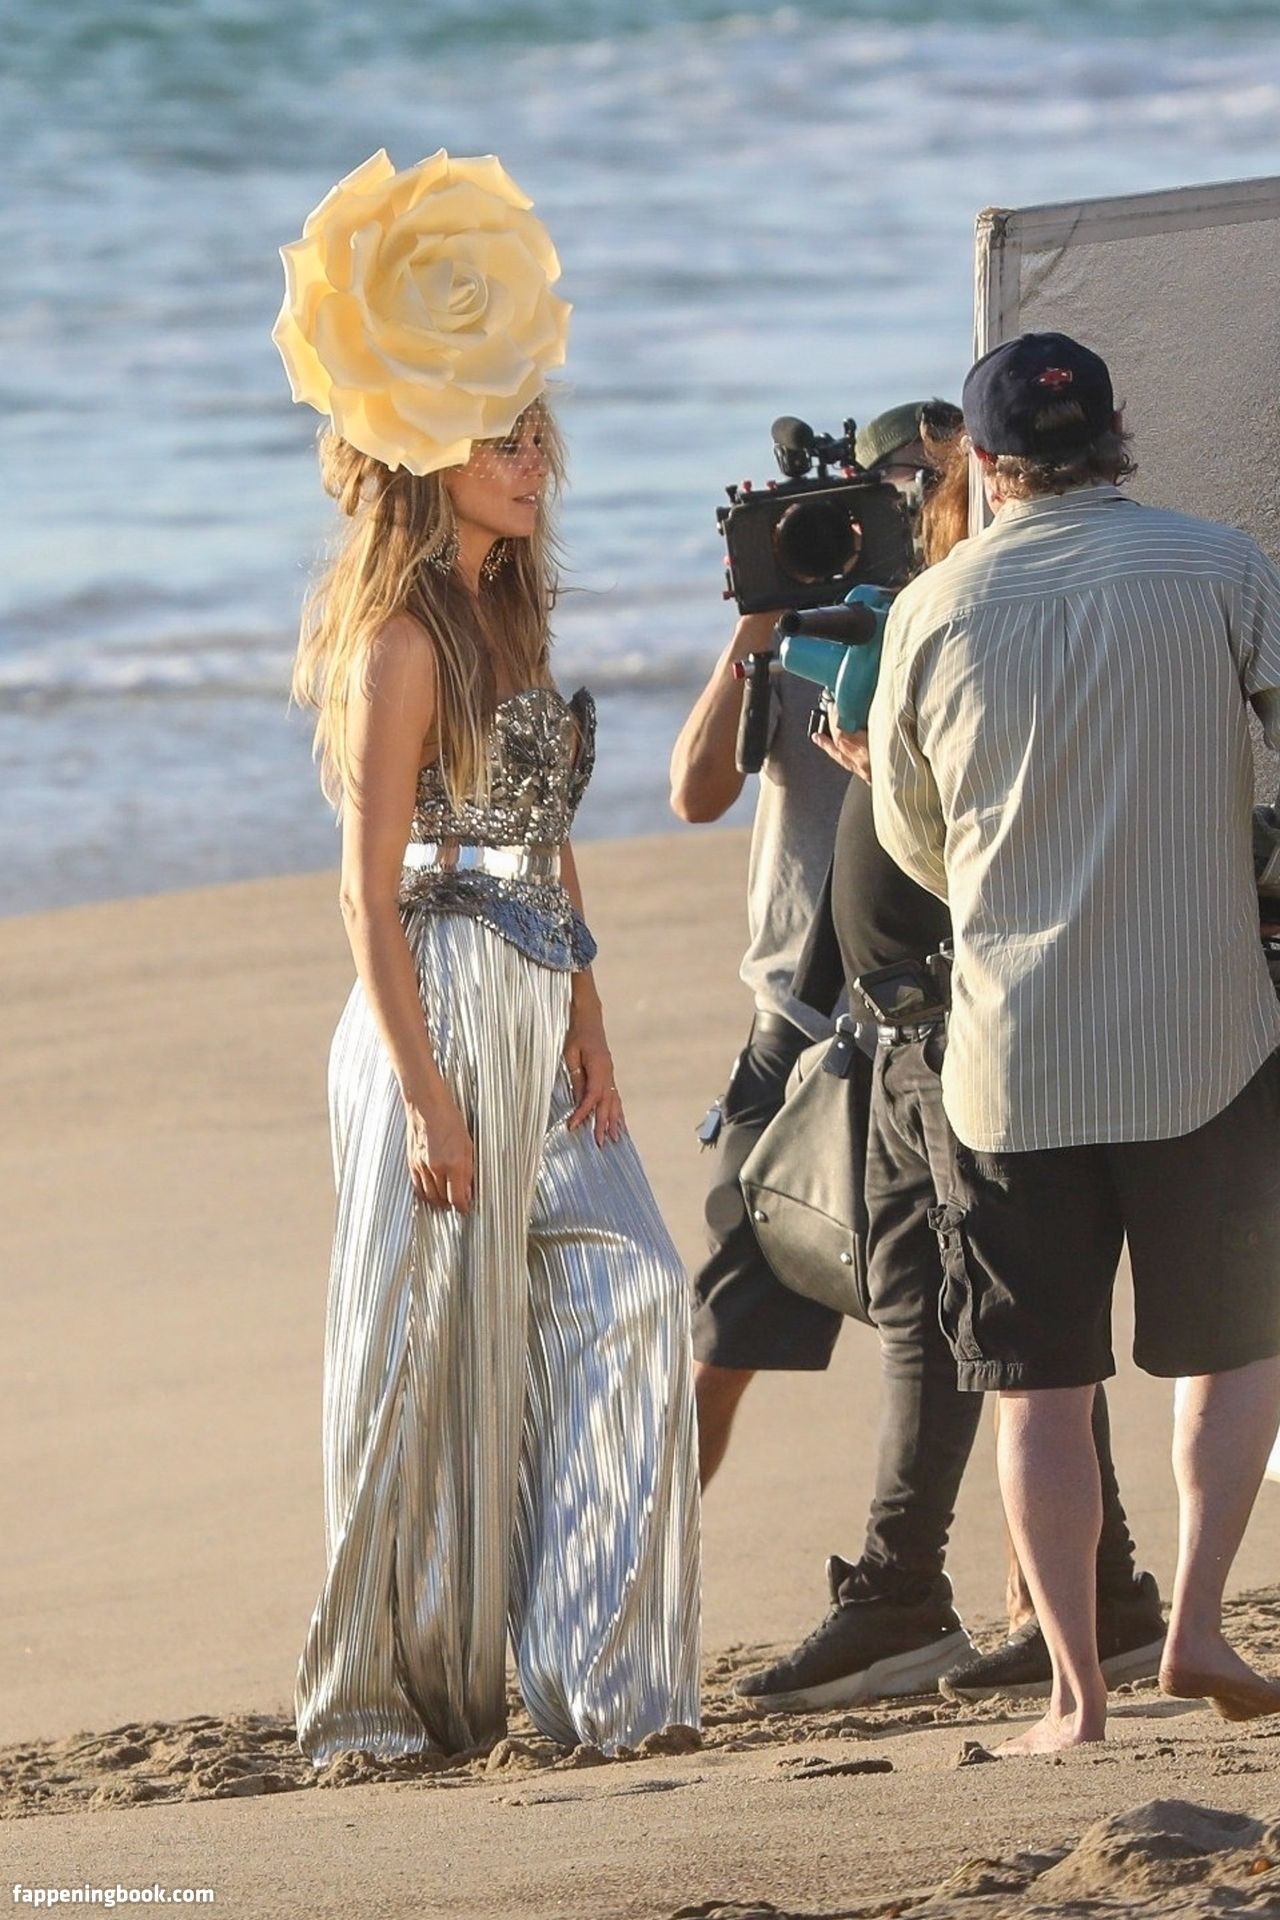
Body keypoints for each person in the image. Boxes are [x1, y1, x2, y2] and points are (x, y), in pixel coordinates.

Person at [272, 148, 700, 1765]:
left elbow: (548, 840)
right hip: (436, 1011)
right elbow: (366, 895)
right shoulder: (397, 641)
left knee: (631, 1284)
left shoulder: (513, 621)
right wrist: (425, 1091)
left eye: (538, 437)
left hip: (536, 996)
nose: (534, 462)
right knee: (422, 1356)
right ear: (428, 451)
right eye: (504, 439)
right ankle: (389, 1703)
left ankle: (599, 1680)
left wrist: (592, 1010)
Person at [870, 329, 1280, 1753]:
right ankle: (1199, 1622)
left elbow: (910, 835)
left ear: (984, 465)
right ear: (1116, 437)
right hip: (1205, 1033)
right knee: (1232, 1348)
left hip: (1012, 1052)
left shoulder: (932, 609)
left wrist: (1006, 880)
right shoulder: (1221, 568)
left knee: (1038, 1386)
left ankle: (1072, 1695)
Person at [735, 417, 1164, 1713]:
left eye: (925, 479)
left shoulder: (998, 608)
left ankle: (995, 1593)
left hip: (962, 1014)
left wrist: (889, 763)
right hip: (897, 1022)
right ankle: (930, 1593)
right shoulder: (932, 611)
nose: (911, 500)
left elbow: (1015, 804)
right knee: (942, 1305)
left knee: (1010, 1309)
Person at [671, 403, 953, 1488]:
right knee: (723, 1340)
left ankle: (1049, 1580)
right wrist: (758, 623)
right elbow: (695, 793)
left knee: (993, 1342)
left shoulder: (968, 633)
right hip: (794, 1029)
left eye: (939, 487)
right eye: (902, 492)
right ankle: (645, 1577)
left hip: (929, 1025)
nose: (920, 511)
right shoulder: (799, 642)